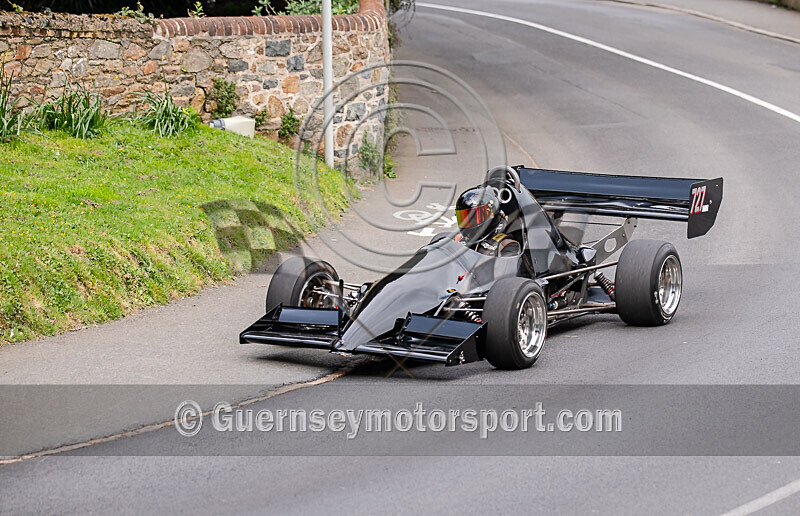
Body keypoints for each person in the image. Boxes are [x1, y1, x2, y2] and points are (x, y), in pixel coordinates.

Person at [454, 186, 520, 256]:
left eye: (473, 217)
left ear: (490, 214)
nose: (468, 222)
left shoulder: (507, 245)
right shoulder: (459, 239)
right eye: (464, 218)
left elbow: (508, 264)